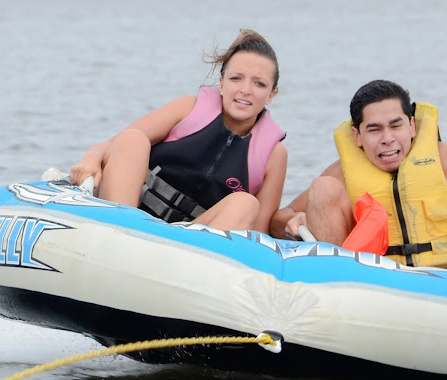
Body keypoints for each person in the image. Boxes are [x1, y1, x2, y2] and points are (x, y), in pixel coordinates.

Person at [270, 79, 447, 275]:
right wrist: (294, 222)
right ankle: (336, 285)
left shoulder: (445, 158)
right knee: (323, 187)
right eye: (374, 129)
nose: (387, 138)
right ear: (357, 137)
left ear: (412, 126)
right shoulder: (340, 173)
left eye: (396, 126)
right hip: (377, 281)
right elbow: (279, 219)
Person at [69, 29, 287, 234]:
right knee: (132, 138)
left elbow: (259, 233)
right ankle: (120, 235)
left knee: (246, 203)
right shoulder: (187, 109)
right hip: (132, 217)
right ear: (221, 84)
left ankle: (190, 259)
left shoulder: (274, 156)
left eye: (259, 84)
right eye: (236, 78)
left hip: (190, 241)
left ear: (271, 95)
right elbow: (109, 146)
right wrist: (91, 158)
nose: (245, 90)